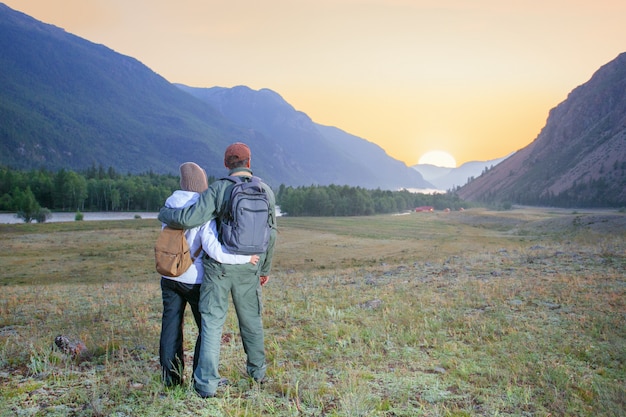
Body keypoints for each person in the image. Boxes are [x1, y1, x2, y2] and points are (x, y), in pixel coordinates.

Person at [158, 142, 277, 398]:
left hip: (218, 270)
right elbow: (273, 233)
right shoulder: (265, 189)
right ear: (249, 162)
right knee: (252, 322)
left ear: (226, 164)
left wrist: (165, 214)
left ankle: (206, 385)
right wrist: (264, 267)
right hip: (250, 266)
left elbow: (188, 219)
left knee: (211, 326)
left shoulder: (218, 188)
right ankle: (257, 373)